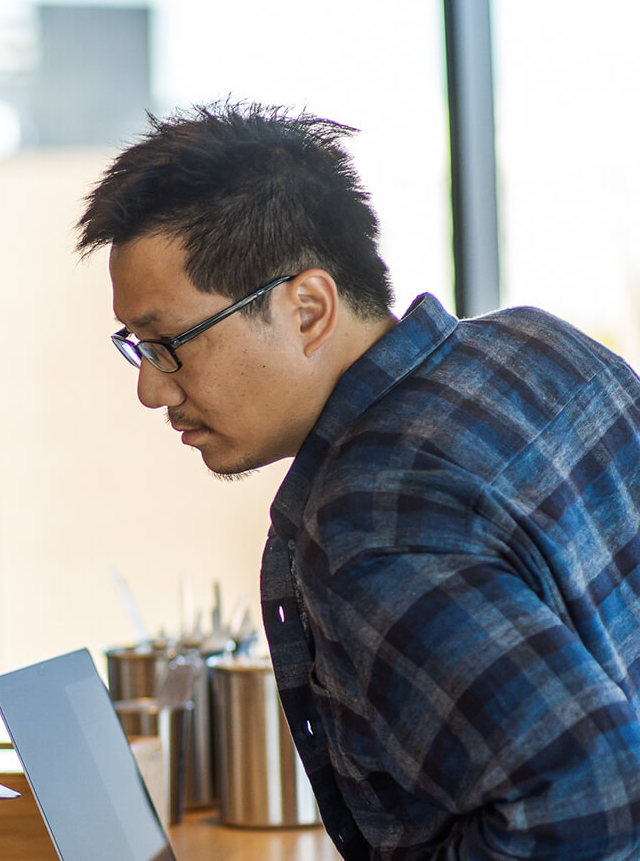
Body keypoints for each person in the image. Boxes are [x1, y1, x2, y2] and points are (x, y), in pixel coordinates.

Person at [78, 101, 640, 859]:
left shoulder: (373, 518)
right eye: (135, 345)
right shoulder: (538, 345)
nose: (151, 388)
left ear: (308, 308)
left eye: (169, 342)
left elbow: (587, 799)